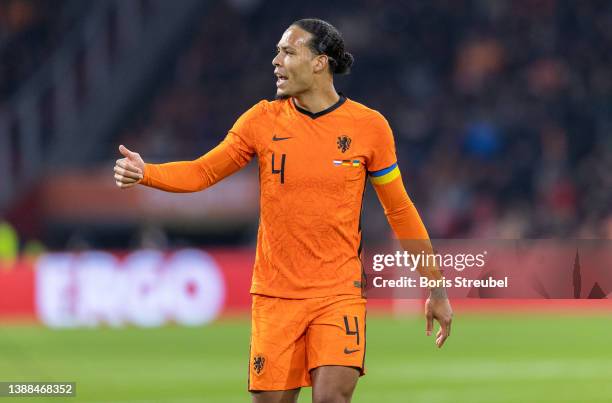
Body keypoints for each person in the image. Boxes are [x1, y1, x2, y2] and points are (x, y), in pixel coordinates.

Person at [114, 18, 452, 403]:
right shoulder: (261, 120)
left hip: (338, 292)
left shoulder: (369, 127)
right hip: (275, 295)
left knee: (331, 399)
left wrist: (435, 285)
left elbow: (400, 210)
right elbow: (204, 171)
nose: (276, 61)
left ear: (320, 62)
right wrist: (147, 173)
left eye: (288, 51)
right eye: (277, 51)